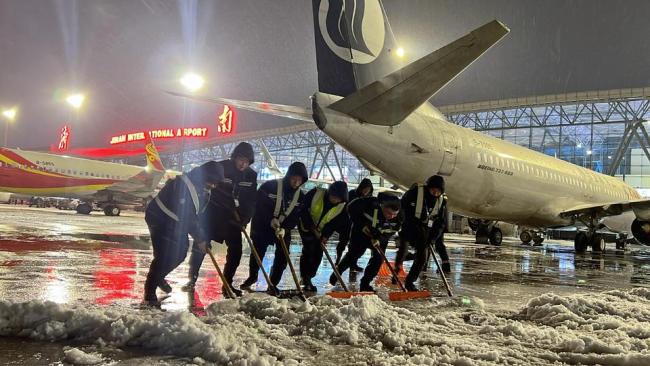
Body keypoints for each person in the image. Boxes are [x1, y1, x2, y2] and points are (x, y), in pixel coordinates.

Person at [143, 161, 224, 306]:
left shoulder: (203, 187)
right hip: (159, 217)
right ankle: (149, 291)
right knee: (166, 255)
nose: (213, 185)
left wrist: (204, 236)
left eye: (215, 183)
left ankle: (159, 276)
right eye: (211, 181)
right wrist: (200, 239)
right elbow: (188, 216)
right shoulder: (184, 186)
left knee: (177, 254)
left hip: (174, 220)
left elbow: (198, 214)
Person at [185, 142, 258, 296]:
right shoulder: (221, 167)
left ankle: (227, 283)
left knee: (236, 250)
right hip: (212, 215)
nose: (243, 163)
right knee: (201, 246)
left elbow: (251, 200)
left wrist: (244, 219)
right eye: (240, 159)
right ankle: (192, 279)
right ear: (235, 157)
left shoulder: (251, 175)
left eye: (246, 161)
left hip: (233, 218)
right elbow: (200, 178)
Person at [240, 162, 308, 292]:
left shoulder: (300, 197)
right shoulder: (269, 187)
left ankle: (273, 283)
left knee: (283, 256)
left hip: (282, 229)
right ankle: (252, 276)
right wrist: (269, 220)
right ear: (289, 176)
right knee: (258, 252)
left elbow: (295, 216)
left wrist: (285, 229)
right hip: (263, 225)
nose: (296, 183)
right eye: (294, 178)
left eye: (299, 180)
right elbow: (259, 205)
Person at [330, 192, 401, 292]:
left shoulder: (399, 217)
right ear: (381, 206)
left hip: (379, 237)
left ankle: (365, 284)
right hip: (360, 232)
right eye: (388, 213)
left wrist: (380, 239)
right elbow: (350, 208)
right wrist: (362, 225)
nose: (391, 216)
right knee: (354, 255)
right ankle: (337, 272)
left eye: (394, 214)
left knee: (378, 259)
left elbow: (390, 232)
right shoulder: (369, 203)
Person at [396, 175, 449, 291]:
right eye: (433, 190)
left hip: (425, 231)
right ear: (428, 187)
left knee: (422, 258)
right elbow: (402, 209)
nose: (435, 193)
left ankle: (409, 282)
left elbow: (441, 223)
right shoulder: (415, 193)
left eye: (438, 191)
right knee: (402, 251)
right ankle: (397, 270)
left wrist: (432, 238)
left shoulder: (441, 201)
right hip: (409, 226)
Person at [298, 181, 349, 292]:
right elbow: (303, 210)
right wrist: (311, 226)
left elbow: (333, 223)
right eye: (334, 197)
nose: (335, 200)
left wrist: (325, 235)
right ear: (329, 192)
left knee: (318, 254)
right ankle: (305, 279)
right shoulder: (315, 193)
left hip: (321, 231)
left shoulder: (341, 206)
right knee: (309, 250)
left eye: (338, 198)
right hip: (306, 227)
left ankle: (310, 276)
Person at [335, 178, 374, 270]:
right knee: (343, 242)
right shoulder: (352, 194)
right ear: (361, 188)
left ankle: (353, 264)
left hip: (358, 225)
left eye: (368, 190)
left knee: (355, 246)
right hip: (347, 223)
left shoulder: (369, 198)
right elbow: (345, 208)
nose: (365, 192)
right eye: (364, 190)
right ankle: (338, 260)